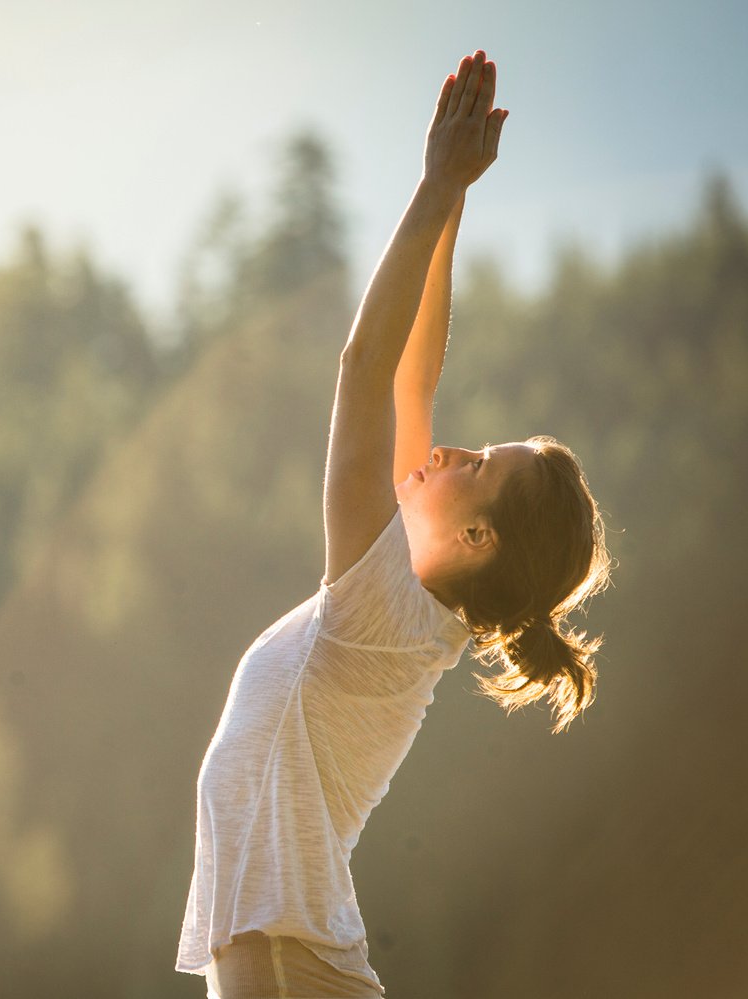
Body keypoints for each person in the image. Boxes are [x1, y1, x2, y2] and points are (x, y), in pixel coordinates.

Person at [175, 50, 612, 998]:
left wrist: (430, 187)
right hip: (283, 954)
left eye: (480, 467)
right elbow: (412, 378)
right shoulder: (407, 602)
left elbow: (366, 365)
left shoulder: (384, 604)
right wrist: (451, 207)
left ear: (477, 538)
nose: (455, 449)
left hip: (285, 961)